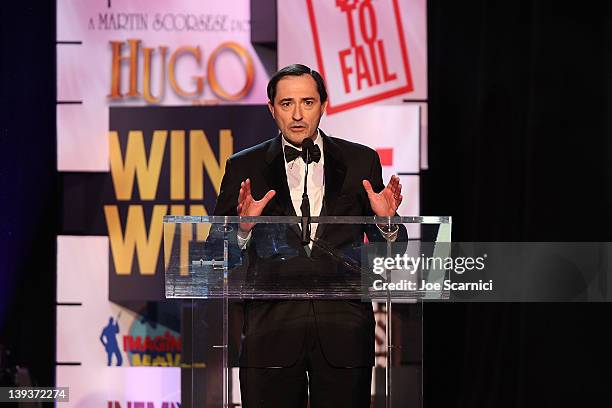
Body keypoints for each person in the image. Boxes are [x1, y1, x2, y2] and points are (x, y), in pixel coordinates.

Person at [213, 64, 405, 407]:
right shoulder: (245, 166)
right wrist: (242, 229)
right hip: (271, 330)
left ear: (324, 105)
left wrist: (385, 222)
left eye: (308, 102)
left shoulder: (361, 161)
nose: (298, 114)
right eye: (286, 104)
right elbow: (216, 251)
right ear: (272, 109)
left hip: (343, 330)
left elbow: (393, 249)